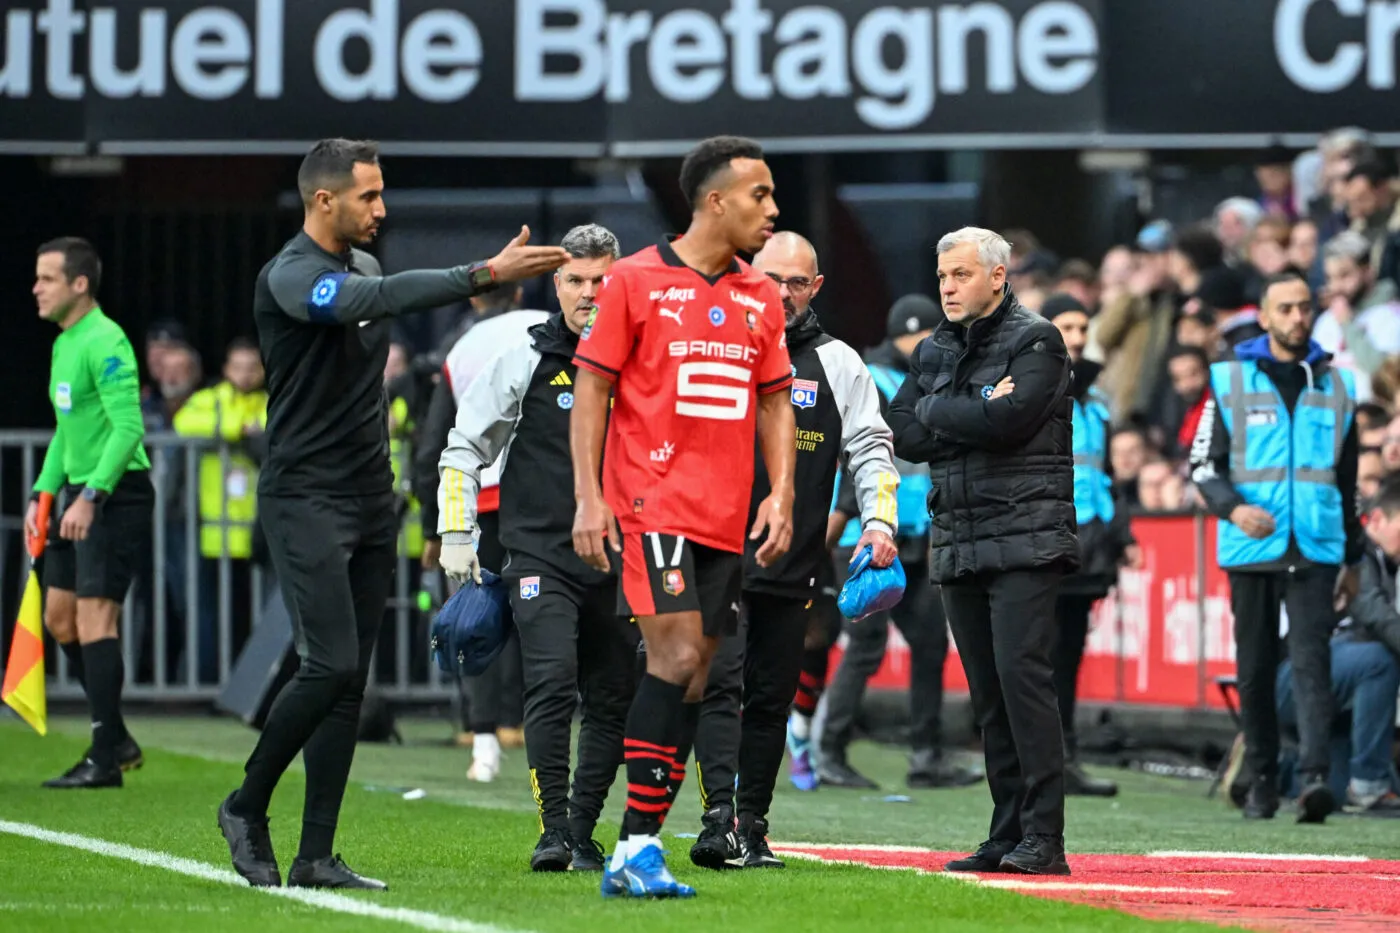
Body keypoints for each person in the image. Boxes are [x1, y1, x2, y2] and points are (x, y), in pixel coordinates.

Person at [216, 137, 568, 891]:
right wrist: (482, 274)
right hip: (304, 494)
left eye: (381, 193)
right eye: (368, 196)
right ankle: (245, 804)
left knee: (352, 680)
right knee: (331, 662)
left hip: (371, 496)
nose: (382, 208)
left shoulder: (367, 264)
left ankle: (316, 853)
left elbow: (367, 349)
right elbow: (364, 303)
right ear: (324, 200)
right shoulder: (293, 276)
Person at [570, 134, 795, 899]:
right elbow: (594, 390)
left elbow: (774, 400)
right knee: (669, 660)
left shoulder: (761, 295)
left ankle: (640, 849)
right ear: (715, 201)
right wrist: (589, 495)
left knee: (696, 676)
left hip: (723, 516)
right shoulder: (634, 280)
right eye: (759, 195)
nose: (772, 208)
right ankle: (633, 846)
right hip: (651, 502)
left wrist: (782, 490)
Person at [687, 231, 900, 869]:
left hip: (793, 560)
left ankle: (752, 824)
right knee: (720, 687)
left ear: (816, 288)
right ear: (749, 273)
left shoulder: (840, 363)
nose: (783, 293)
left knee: (772, 697)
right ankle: (716, 817)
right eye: (773, 278)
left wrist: (880, 520)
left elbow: (871, 446)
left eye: (797, 283)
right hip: (715, 554)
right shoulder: (714, 341)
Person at [437, 224, 638, 872]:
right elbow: (464, 445)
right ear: (556, 285)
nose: (588, 293)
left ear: (620, 280)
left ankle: (581, 830)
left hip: (623, 554)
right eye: (576, 280)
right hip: (539, 554)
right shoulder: (525, 355)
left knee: (611, 697)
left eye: (600, 280)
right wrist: (457, 534)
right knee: (550, 681)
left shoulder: (643, 356)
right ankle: (554, 829)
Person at [886, 227, 1078, 876]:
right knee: (988, 695)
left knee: (1024, 683)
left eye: (961, 274)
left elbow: (1014, 420)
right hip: (960, 537)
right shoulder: (935, 346)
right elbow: (902, 430)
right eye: (943, 275)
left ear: (998, 276)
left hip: (1026, 534)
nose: (947, 286)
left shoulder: (1038, 339)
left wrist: (943, 411)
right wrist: (969, 410)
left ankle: (1044, 838)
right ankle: (1006, 833)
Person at [1188, 270, 1362, 825]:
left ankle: (1314, 780)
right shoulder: (1228, 380)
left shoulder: (1338, 386)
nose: (1297, 318)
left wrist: (1354, 558)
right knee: (1257, 668)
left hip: (1316, 545)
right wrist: (1234, 508)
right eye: (1285, 309)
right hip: (1251, 544)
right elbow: (1202, 466)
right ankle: (1262, 779)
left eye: (1304, 308)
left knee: (1314, 664)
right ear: (1264, 316)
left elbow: (1348, 480)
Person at [818, 294, 982, 792]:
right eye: (927, 335)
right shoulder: (874, 379)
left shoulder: (912, 382)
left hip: (908, 534)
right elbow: (859, 455)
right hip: (864, 533)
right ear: (906, 336)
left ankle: (927, 755)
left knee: (930, 641)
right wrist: (848, 516)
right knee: (866, 645)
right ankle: (829, 751)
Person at [26, 236, 153, 789]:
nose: (35, 288)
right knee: (59, 618)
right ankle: (118, 736)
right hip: (79, 491)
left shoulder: (106, 340)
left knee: (94, 619)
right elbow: (67, 431)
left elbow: (129, 429)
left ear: (80, 285)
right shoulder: (64, 342)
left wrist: (92, 496)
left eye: (46, 278)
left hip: (114, 492)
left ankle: (104, 757)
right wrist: (42, 494)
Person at [1042, 294, 1141, 797]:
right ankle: (1045, 760)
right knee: (1044, 656)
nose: (1078, 337)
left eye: (1083, 328)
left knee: (1068, 656)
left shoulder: (1097, 405)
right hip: (1044, 544)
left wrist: (1122, 537)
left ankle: (1064, 757)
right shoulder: (1033, 390)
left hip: (1087, 549)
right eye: (1068, 327)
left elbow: (1106, 481)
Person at [171, 337, 268, 683]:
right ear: (226, 369)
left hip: (259, 534)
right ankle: (208, 682)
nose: (244, 375)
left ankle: (253, 683)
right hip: (215, 532)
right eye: (237, 367)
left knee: (253, 615)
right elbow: (183, 423)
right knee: (212, 615)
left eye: (251, 367)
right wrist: (238, 431)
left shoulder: (270, 403)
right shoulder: (209, 400)